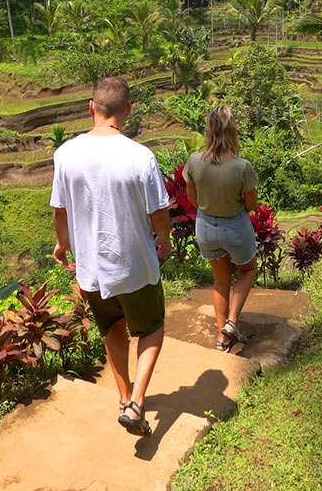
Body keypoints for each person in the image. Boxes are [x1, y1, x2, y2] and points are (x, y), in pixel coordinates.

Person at [50, 76, 171, 436]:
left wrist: (63, 244)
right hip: (134, 266)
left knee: (112, 327)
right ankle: (135, 402)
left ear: (91, 107)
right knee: (151, 328)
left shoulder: (65, 154)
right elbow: (159, 212)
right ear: (128, 110)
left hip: (92, 270)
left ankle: (123, 396)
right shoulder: (140, 156)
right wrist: (163, 238)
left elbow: (59, 210)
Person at [183, 105, 258, 352]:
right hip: (234, 225)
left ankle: (222, 338)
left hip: (205, 226)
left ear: (209, 130)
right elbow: (251, 205)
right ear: (232, 131)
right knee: (247, 270)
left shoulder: (194, 161)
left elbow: (193, 199)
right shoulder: (242, 166)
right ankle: (232, 321)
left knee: (220, 280)